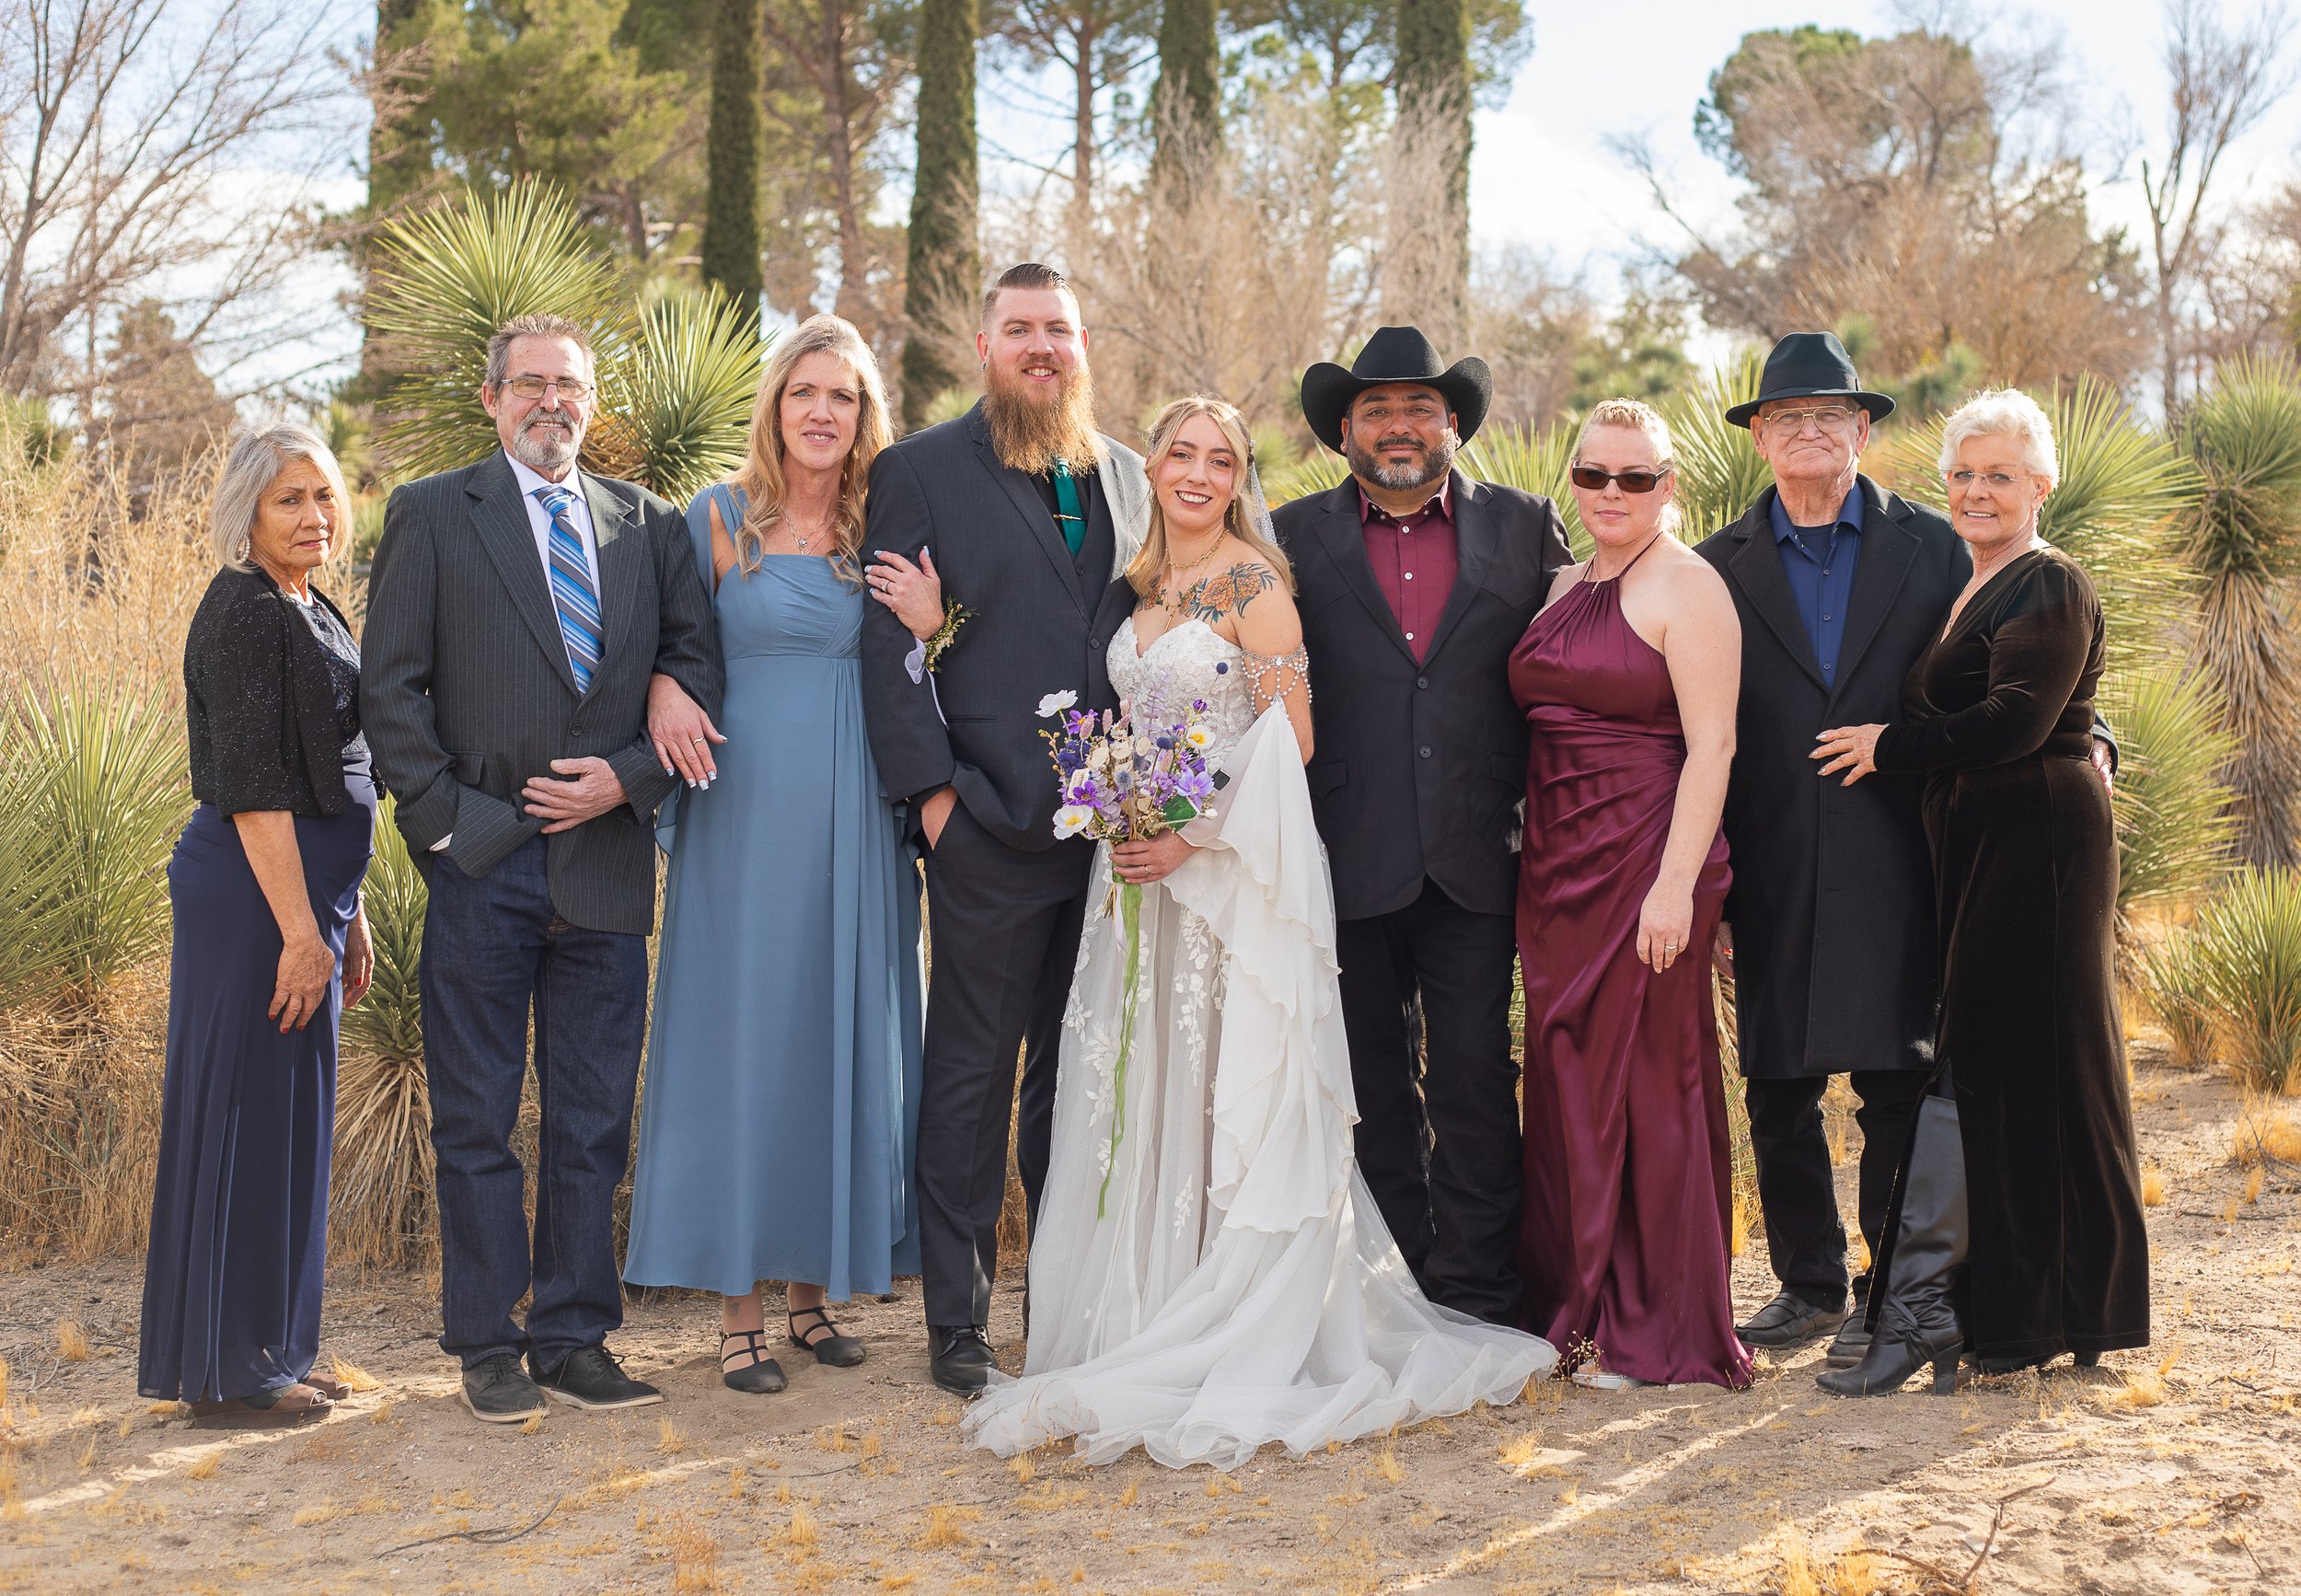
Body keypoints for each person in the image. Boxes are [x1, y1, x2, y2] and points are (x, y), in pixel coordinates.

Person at [961, 396, 1555, 1468]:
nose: (1197, 472)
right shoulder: (1135, 589)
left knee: (1226, 1089)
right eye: (1180, 453)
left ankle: (1234, 1314)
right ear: (1150, 464)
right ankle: (1142, 1309)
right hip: (1132, 882)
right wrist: (1120, 810)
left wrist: (1188, 836)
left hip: (1223, 876)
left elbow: (1292, 734)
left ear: (1241, 475)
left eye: (1219, 458)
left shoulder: (1255, 583)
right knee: (1149, 1090)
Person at [362, 313, 723, 1424]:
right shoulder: (430, 514)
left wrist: (628, 779)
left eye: (568, 385)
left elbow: (697, 663)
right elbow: (390, 696)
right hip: (483, 870)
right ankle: (484, 1341)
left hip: (608, 866)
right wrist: (460, 830)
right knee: (475, 1119)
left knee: (589, 1122)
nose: (549, 403)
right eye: (529, 385)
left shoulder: (647, 525)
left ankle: (575, 1336)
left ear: (592, 403)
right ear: (491, 399)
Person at [1811, 388, 2149, 1394]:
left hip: (2037, 843)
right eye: (1962, 474)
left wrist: (1889, 747)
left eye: (1999, 474)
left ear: (2041, 486)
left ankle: (1963, 1310)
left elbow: (2013, 719)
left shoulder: (2049, 585)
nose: (1976, 491)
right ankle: (2018, 1308)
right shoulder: (1972, 584)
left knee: (2012, 1069)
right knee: (2018, 1070)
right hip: (1989, 845)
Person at [622, 316, 931, 1394]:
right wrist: (665, 684)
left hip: (858, 810)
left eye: (841, 397)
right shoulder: (713, 521)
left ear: (863, 417)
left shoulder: (883, 527)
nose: (820, 413)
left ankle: (813, 1297)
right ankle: (739, 1310)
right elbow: (658, 648)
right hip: (743, 808)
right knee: (742, 1036)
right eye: (803, 391)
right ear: (774, 405)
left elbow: (924, 661)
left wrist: (933, 627)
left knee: (838, 1027)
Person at [859, 263, 1150, 1394]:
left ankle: (1067, 1302)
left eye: (1060, 330)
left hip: (1111, 837)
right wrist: (936, 803)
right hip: (982, 822)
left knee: (1078, 1079)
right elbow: (886, 648)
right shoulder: (921, 470)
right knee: (971, 1075)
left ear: (1085, 347)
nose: (1042, 347)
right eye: (1019, 329)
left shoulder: (1128, 475)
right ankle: (959, 1325)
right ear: (982, 344)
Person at [1268, 327, 1573, 1325]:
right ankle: (1398, 1298)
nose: (1397, 427)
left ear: (1452, 423)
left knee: (1479, 1077)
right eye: (1376, 410)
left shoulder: (1526, 527)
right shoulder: (1289, 536)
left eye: (1417, 408)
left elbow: (1579, 663)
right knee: (1367, 1085)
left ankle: (1481, 1291)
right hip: (1340, 851)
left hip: (1483, 853)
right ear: (1343, 431)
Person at [1691, 332, 1952, 1367]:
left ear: (1862, 430)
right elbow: (1677, 730)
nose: (1808, 429)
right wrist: (1702, 882)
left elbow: (2014, 653)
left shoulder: (1932, 549)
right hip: (1770, 854)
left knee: (1897, 1076)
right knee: (1779, 1081)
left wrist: (2092, 738)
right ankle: (1805, 1285)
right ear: (1758, 437)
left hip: (1905, 850)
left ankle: (1890, 1280)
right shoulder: (1713, 568)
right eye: (1785, 416)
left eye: (1829, 415)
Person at [1511, 399, 1751, 1389]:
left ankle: (1660, 1325)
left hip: (1648, 863)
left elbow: (1714, 747)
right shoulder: (1561, 582)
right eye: (1593, 475)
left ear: (1670, 485)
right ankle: (1581, 1304)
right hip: (1556, 871)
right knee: (1565, 1076)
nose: (1612, 494)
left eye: (1635, 478)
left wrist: (1672, 889)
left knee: (1652, 1082)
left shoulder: (1689, 588)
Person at [140, 423, 375, 1428]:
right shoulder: (241, 613)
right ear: (247, 511)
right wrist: (297, 931)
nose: (314, 517)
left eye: (323, 496)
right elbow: (254, 795)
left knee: (288, 1127)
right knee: (243, 1119)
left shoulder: (306, 602)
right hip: (252, 902)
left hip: (302, 903)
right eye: (290, 499)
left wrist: (343, 917)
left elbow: (335, 771)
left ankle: (276, 1345)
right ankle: (231, 1373)